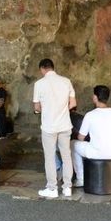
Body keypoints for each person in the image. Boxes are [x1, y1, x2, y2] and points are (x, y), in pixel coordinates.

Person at [33, 58, 76, 198]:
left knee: (50, 157)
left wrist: (42, 110)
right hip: (64, 124)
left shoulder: (39, 84)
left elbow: (37, 107)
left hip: (49, 127)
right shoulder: (66, 81)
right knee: (66, 155)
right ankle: (67, 187)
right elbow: (72, 104)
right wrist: (61, 109)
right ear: (52, 67)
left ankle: (52, 188)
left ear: (42, 69)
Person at [71, 85, 111, 188]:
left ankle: (81, 179)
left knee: (72, 145)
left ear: (95, 97)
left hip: (97, 153)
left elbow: (81, 138)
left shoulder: (90, 115)